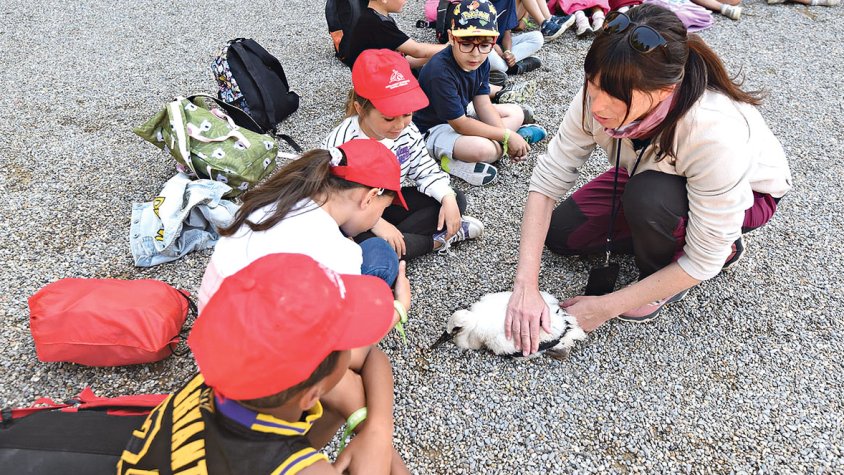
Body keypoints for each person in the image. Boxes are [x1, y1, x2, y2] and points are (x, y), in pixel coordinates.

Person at [506, 4, 792, 355]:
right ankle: (664, 230)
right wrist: (525, 286)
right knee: (562, 234)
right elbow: (548, 180)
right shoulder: (599, 92)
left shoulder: (713, 131)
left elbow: (703, 261)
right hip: (651, 173)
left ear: (665, 90)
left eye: (616, 99)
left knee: (650, 199)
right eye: (593, 88)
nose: (598, 107)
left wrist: (605, 306)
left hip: (748, 195)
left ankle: (690, 261)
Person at [118, 253, 410, 474]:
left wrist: (378, 431)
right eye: (345, 343)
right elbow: (369, 359)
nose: (353, 347)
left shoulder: (217, 378)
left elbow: (373, 356)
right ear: (310, 395)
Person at [198, 139, 409, 309]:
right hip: (258, 353)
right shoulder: (341, 254)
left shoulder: (279, 199)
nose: (380, 215)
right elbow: (345, 339)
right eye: (384, 208)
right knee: (381, 254)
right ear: (370, 197)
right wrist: (399, 309)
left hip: (213, 333)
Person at [324, 49, 484, 259]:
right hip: (354, 218)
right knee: (368, 251)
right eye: (389, 119)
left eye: (407, 113)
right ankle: (435, 241)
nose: (400, 125)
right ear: (360, 109)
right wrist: (377, 223)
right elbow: (330, 203)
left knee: (455, 199)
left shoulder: (407, 131)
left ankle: (401, 243)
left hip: (387, 203)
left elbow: (425, 170)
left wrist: (446, 197)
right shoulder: (342, 143)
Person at [413, 0, 548, 187]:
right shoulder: (439, 71)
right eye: (466, 44)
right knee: (482, 149)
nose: (475, 53)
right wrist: (506, 136)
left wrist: (504, 135)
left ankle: (506, 144)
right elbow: (459, 124)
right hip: (432, 129)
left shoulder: (481, 61)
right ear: (451, 38)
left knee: (516, 112)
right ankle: (453, 162)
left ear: (494, 40)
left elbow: (483, 104)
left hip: (462, 114)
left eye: (485, 45)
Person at [341, 0, 447, 69]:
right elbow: (417, 50)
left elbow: (404, 60)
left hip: (384, 71)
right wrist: (449, 46)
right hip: (377, 84)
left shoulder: (377, 17)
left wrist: (437, 53)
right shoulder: (375, 23)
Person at [488, 0, 545, 77]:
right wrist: (492, 45)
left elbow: (507, 32)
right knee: (489, 54)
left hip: (499, 45)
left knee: (537, 38)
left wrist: (508, 52)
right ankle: (511, 69)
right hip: (482, 45)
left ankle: (504, 65)